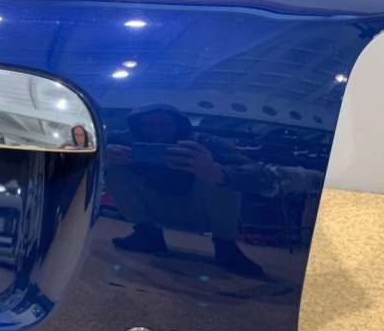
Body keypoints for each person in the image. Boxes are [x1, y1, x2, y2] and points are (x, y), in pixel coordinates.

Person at [105, 105, 274, 278]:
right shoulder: (120, 142)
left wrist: (215, 171)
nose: (156, 131)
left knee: (219, 175)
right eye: (148, 125)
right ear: (137, 127)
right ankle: (147, 234)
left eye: (164, 124)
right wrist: (102, 157)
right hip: (156, 211)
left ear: (178, 125)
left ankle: (225, 245)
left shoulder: (204, 143)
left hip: (204, 214)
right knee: (112, 171)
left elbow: (262, 175)